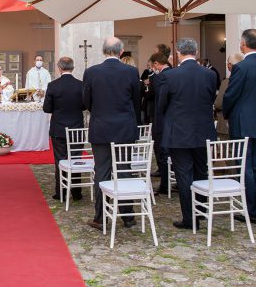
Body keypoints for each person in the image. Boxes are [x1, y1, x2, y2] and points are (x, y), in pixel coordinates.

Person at [159, 38, 219, 229]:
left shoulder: (171, 76)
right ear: (196, 52)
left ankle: (190, 218)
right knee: (201, 171)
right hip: (204, 130)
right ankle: (201, 210)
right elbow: (210, 98)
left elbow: (162, 105)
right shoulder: (209, 75)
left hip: (179, 132)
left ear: (178, 53)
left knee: (184, 175)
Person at [83, 37, 140, 231]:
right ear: (121, 51)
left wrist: (99, 112)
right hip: (124, 128)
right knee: (124, 170)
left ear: (103, 51)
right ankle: (128, 216)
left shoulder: (91, 72)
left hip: (101, 127)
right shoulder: (131, 72)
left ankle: (100, 217)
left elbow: (86, 102)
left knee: (102, 171)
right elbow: (136, 101)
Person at [222, 29, 256, 223]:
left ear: (243, 43)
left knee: (245, 167)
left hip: (242, 121)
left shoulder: (241, 68)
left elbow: (230, 95)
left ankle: (253, 210)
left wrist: (226, 113)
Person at [42, 56, 85, 201]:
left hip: (59, 128)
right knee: (76, 159)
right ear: (72, 68)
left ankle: (61, 192)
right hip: (77, 129)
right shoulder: (81, 84)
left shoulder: (53, 85)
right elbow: (85, 105)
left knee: (60, 160)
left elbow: (47, 108)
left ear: (59, 68)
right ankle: (77, 193)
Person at [147, 52, 171, 193]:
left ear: (156, 63)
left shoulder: (159, 77)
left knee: (162, 154)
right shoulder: (175, 73)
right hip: (173, 120)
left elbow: (160, 100)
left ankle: (164, 185)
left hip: (161, 120)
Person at [215, 53, 244, 140]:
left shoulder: (227, 82)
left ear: (230, 65)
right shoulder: (248, 81)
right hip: (244, 124)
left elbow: (219, 104)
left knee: (227, 152)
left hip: (226, 124)